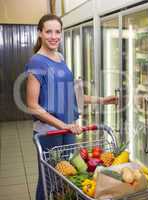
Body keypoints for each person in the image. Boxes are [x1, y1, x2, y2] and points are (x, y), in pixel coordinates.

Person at [25, 14, 117, 200]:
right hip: (49, 131)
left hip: (68, 128)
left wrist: (102, 100)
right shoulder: (36, 62)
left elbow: (73, 94)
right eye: (48, 31)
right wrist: (62, 125)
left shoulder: (60, 57)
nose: (53, 36)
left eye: (57, 31)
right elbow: (32, 105)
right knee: (49, 179)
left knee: (68, 177)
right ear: (40, 33)